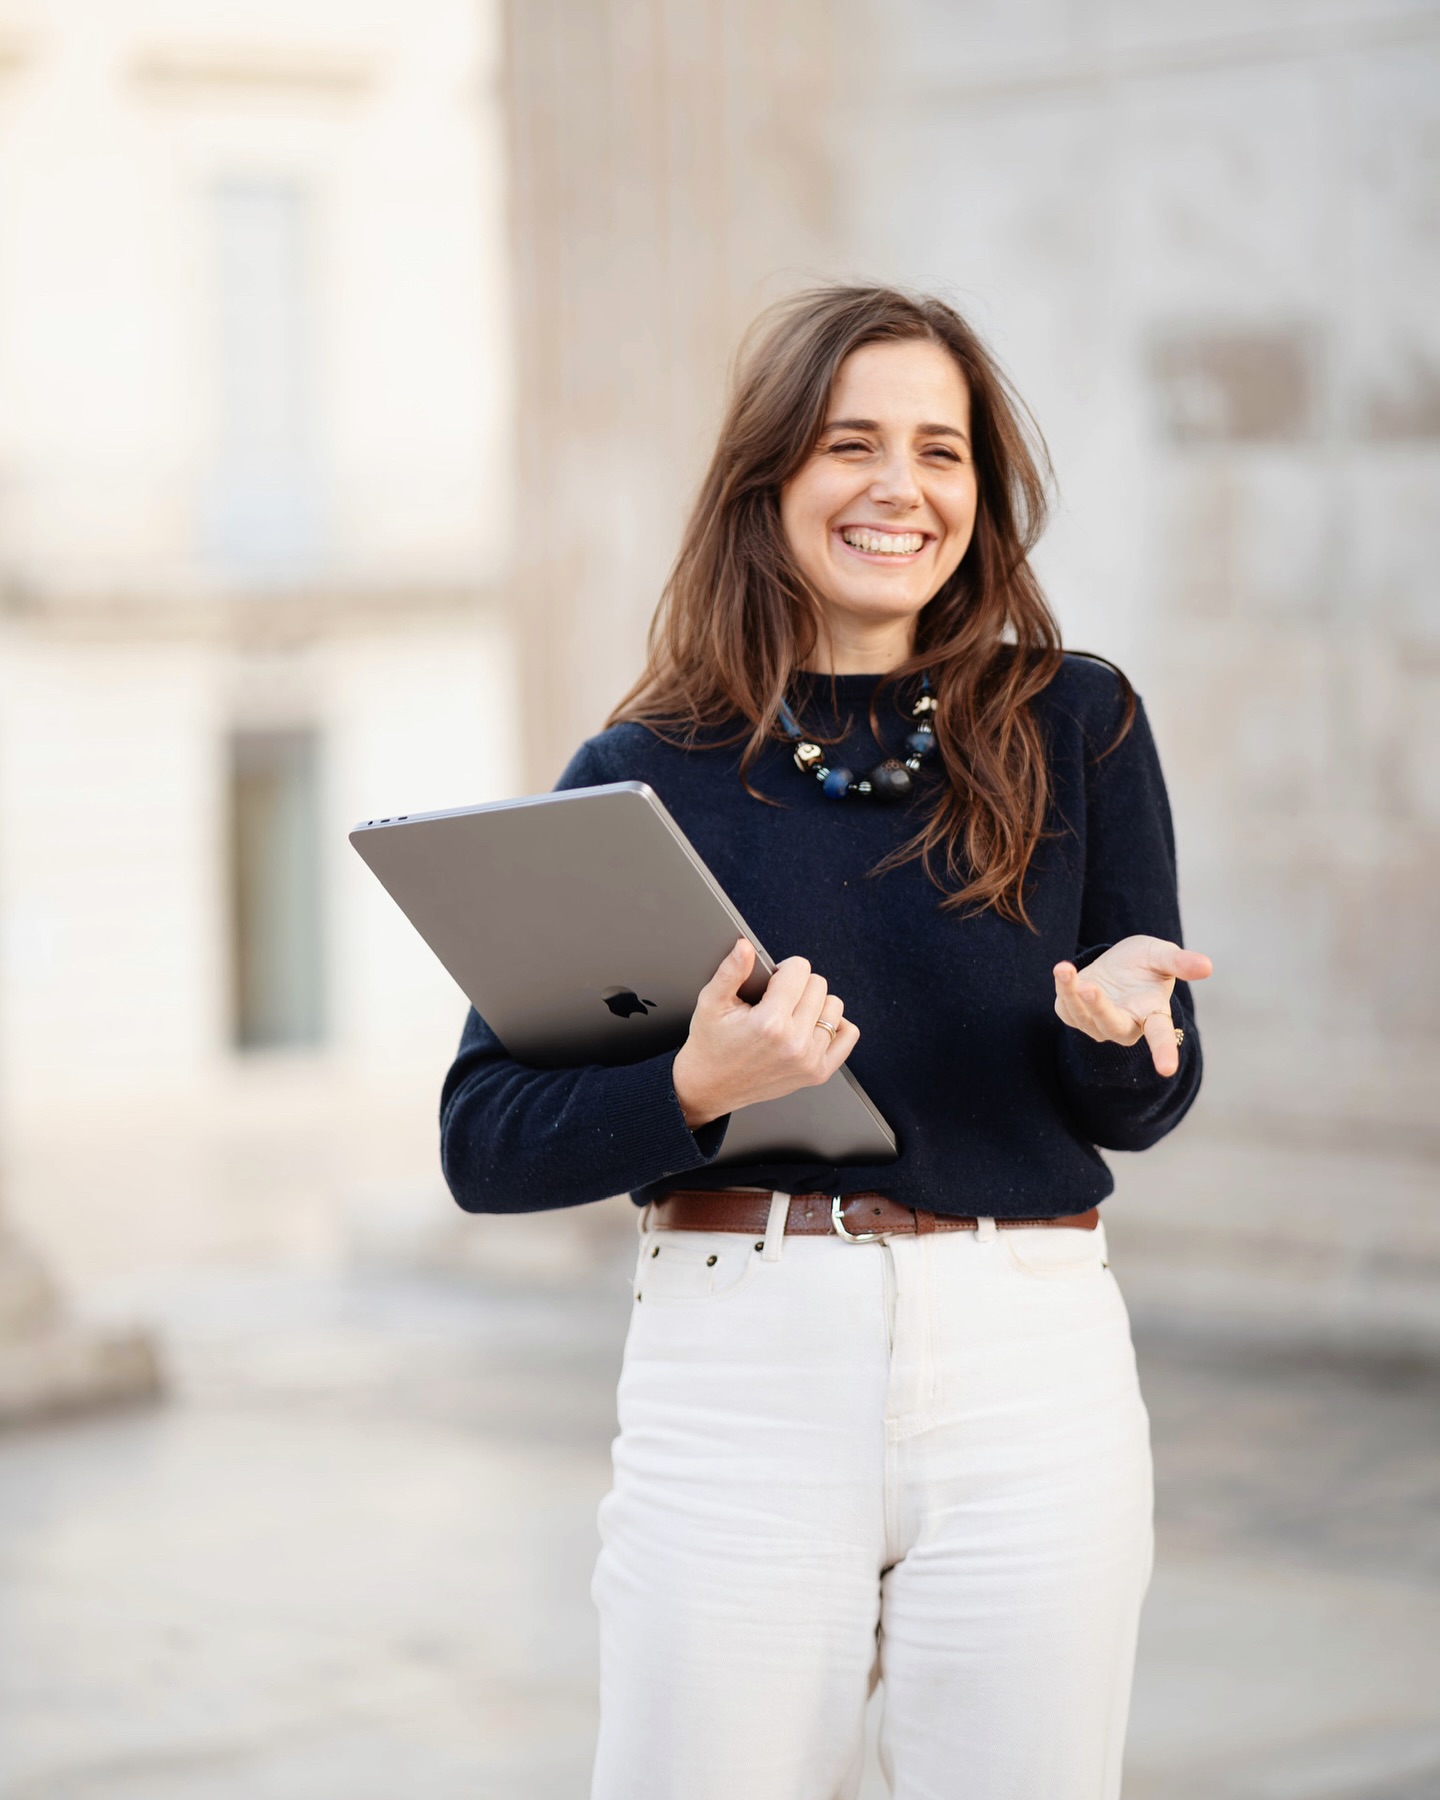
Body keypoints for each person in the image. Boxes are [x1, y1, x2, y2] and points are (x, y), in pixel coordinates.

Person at [440, 284, 1211, 1800]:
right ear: (770, 480)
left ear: (980, 495)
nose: (897, 488)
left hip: (1030, 1363)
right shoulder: (642, 770)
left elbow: (1136, 1113)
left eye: (941, 450)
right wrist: (695, 1090)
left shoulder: (1080, 722)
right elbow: (484, 1141)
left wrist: (1127, 1035)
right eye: (850, 444)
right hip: (739, 1364)